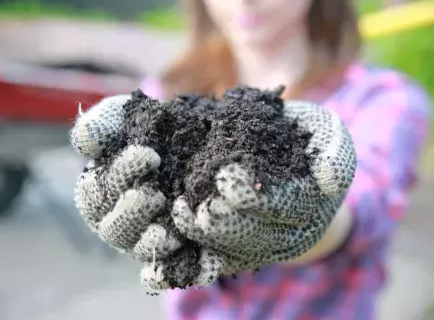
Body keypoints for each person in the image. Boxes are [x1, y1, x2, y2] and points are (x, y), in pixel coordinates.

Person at [71, 0, 431, 319]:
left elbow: (365, 211)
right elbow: (139, 208)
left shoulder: (384, 100)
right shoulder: (166, 94)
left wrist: (309, 221)